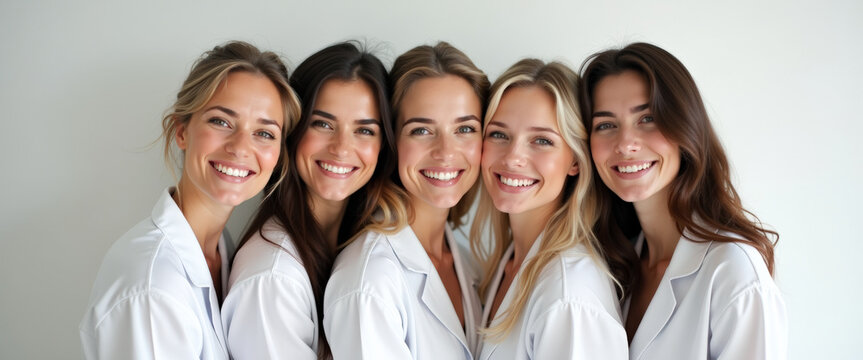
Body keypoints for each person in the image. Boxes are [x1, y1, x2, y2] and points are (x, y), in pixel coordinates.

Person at [79, 41, 300, 359]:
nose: (240, 147)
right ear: (182, 131)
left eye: (264, 133)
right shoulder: (153, 287)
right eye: (221, 122)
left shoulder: (223, 251)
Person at [580, 42, 787, 359]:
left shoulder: (734, 271)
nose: (625, 144)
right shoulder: (613, 264)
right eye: (606, 125)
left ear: (685, 127)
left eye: (647, 119)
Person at [221, 42, 396, 360]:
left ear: (384, 145)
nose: (342, 148)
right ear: (293, 131)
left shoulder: (357, 248)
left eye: (364, 130)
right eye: (323, 124)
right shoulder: (272, 280)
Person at [323, 42, 489, 360]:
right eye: (421, 130)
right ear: (392, 141)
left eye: (465, 128)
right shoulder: (369, 281)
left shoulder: (466, 261)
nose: (445, 152)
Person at [470, 59, 627, 359]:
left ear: (576, 161)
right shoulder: (506, 265)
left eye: (542, 140)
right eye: (499, 134)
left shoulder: (570, 296)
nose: (513, 157)